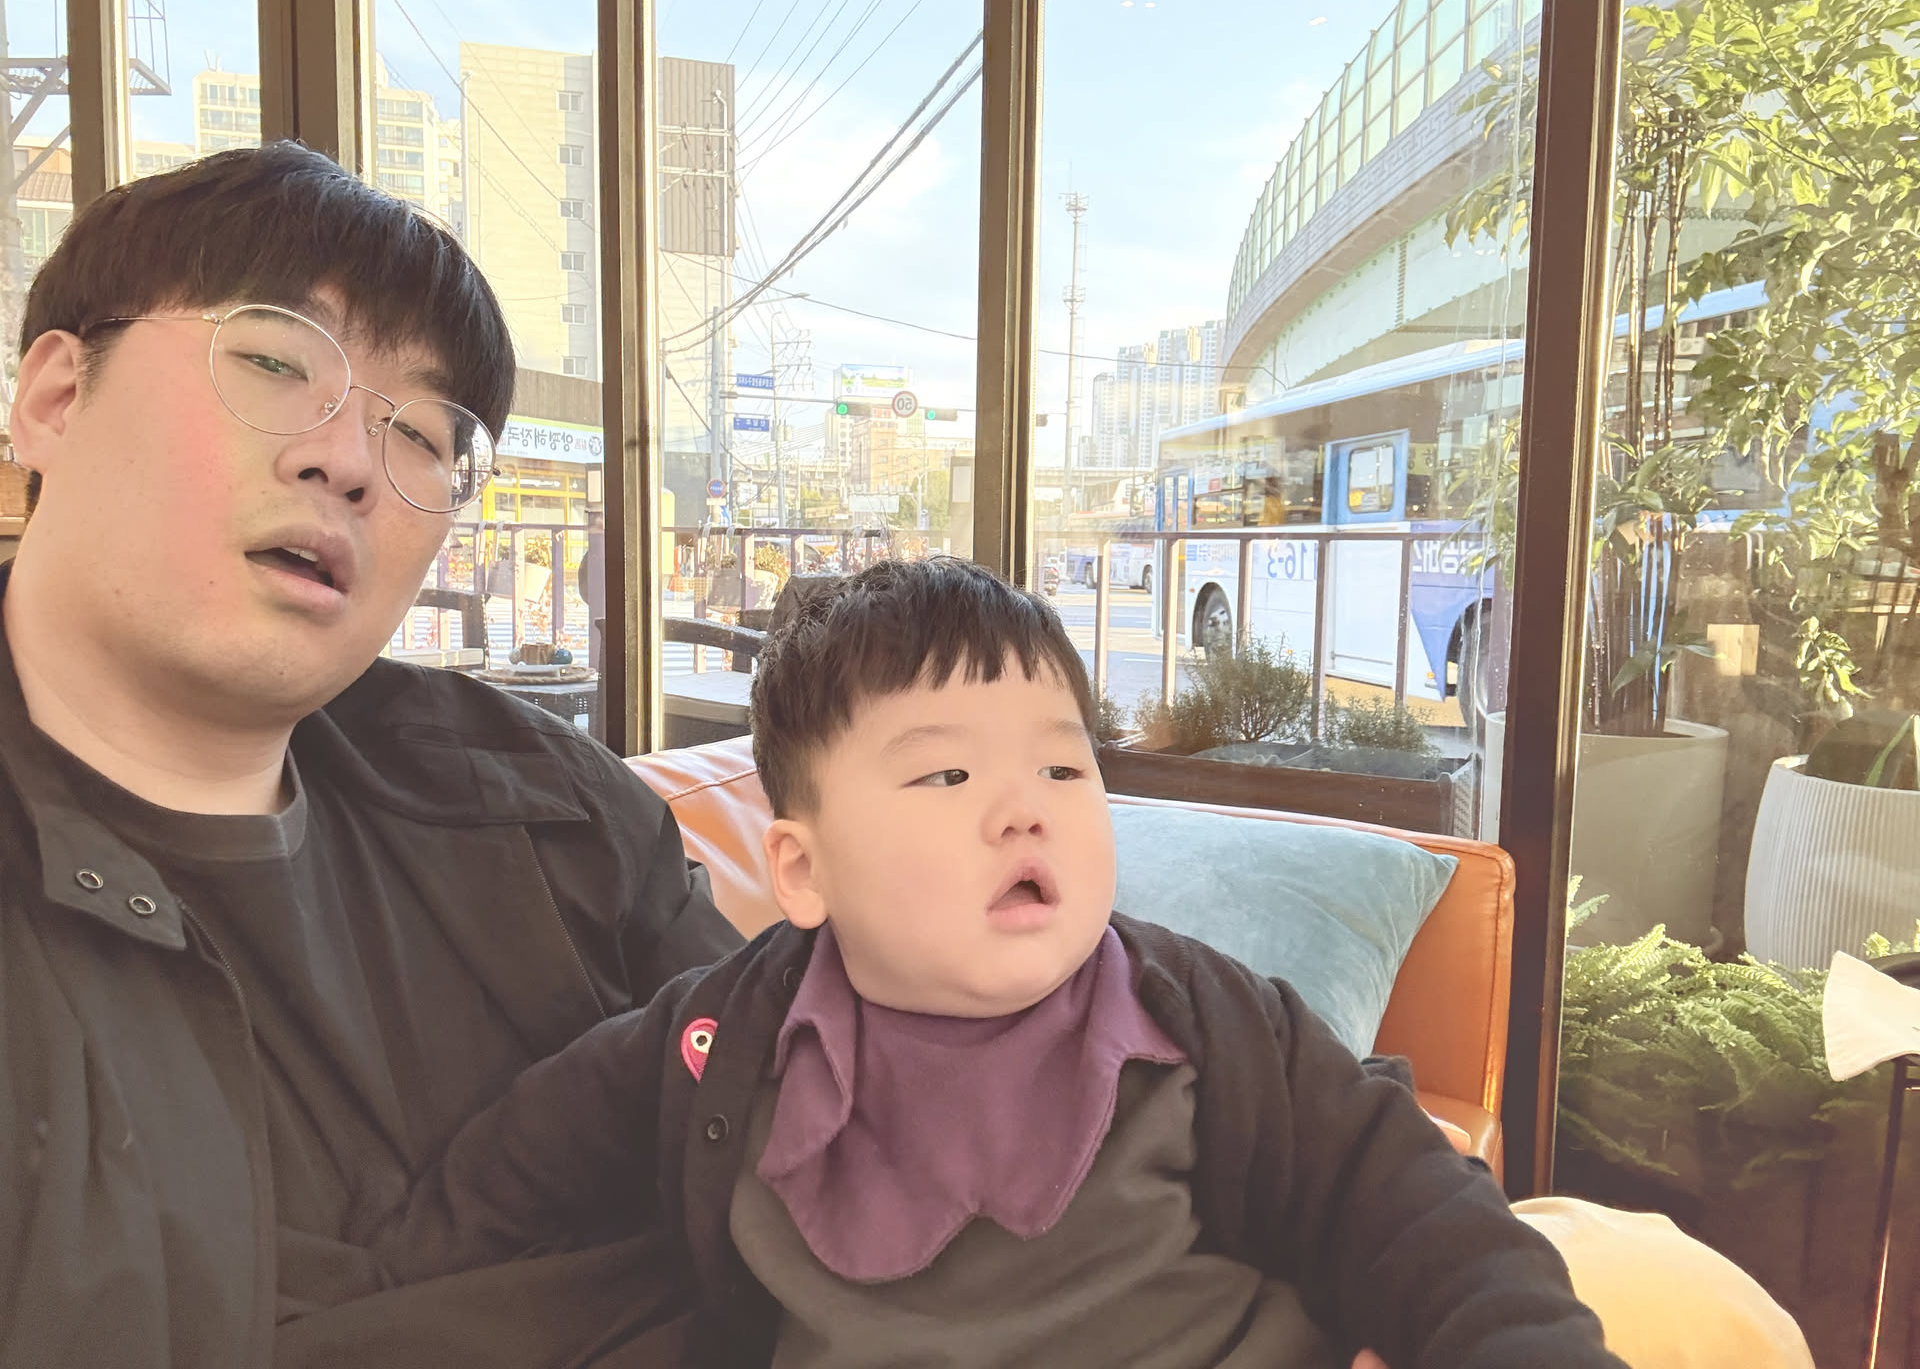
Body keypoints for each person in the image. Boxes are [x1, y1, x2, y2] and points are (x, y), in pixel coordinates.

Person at [375, 556, 1628, 1369]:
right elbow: (511, 1173)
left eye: (1064, 766)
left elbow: (1417, 1209)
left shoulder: (1211, 1024)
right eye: (947, 773)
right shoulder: (715, 1044)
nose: (1026, 808)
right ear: (801, 871)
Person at [0, 142, 740, 1369]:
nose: (347, 461)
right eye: (276, 363)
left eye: (425, 435)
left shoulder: (558, 813)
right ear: (56, 398)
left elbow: (828, 1122)